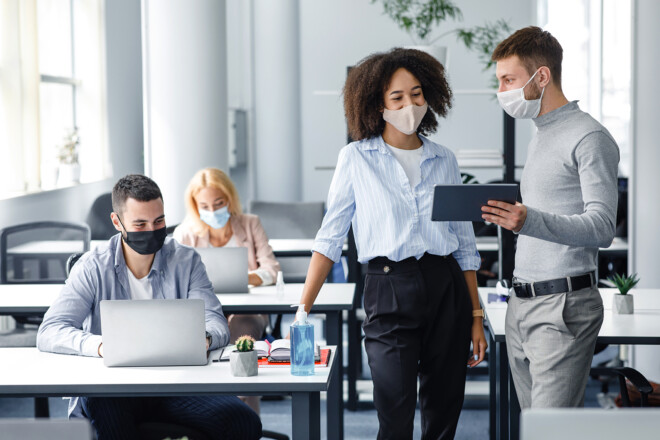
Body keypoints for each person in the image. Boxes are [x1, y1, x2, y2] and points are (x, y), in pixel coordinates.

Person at [299, 48, 487, 440]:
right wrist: (303, 307)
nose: (409, 105)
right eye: (397, 97)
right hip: (388, 289)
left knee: (443, 413)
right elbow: (330, 236)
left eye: (416, 94)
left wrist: (475, 316)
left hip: (445, 285)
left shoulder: (444, 159)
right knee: (395, 416)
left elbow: (465, 245)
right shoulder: (355, 158)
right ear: (377, 104)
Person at [37, 174, 262, 440]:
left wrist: (204, 338)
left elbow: (216, 322)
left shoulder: (186, 261)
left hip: (175, 385)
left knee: (243, 423)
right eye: (140, 224)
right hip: (112, 388)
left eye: (159, 221)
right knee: (107, 412)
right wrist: (99, 346)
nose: (152, 231)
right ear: (117, 222)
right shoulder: (93, 266)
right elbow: (50, 330)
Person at [482, 26, 619, 408]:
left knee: (550, 430)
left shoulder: (590, 137)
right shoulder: (540, 133)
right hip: (522, 300)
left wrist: (530, 221)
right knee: (534, 426)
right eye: (500, 81)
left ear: (541, 76)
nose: (503, 90)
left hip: (563, 306)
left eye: (509, 79)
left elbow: (603, 226)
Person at [174, 167, 280, 413]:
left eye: (219, 203)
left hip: (247, 312)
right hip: (203, 314)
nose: (212, 211)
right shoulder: (185, 233)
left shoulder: (250, 224)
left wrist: (247, 278)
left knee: (242, 331)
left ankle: (245, 414)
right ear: (195, 205)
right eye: (205, 205)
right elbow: (176, 281)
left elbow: (272, 269)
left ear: (230, 198)